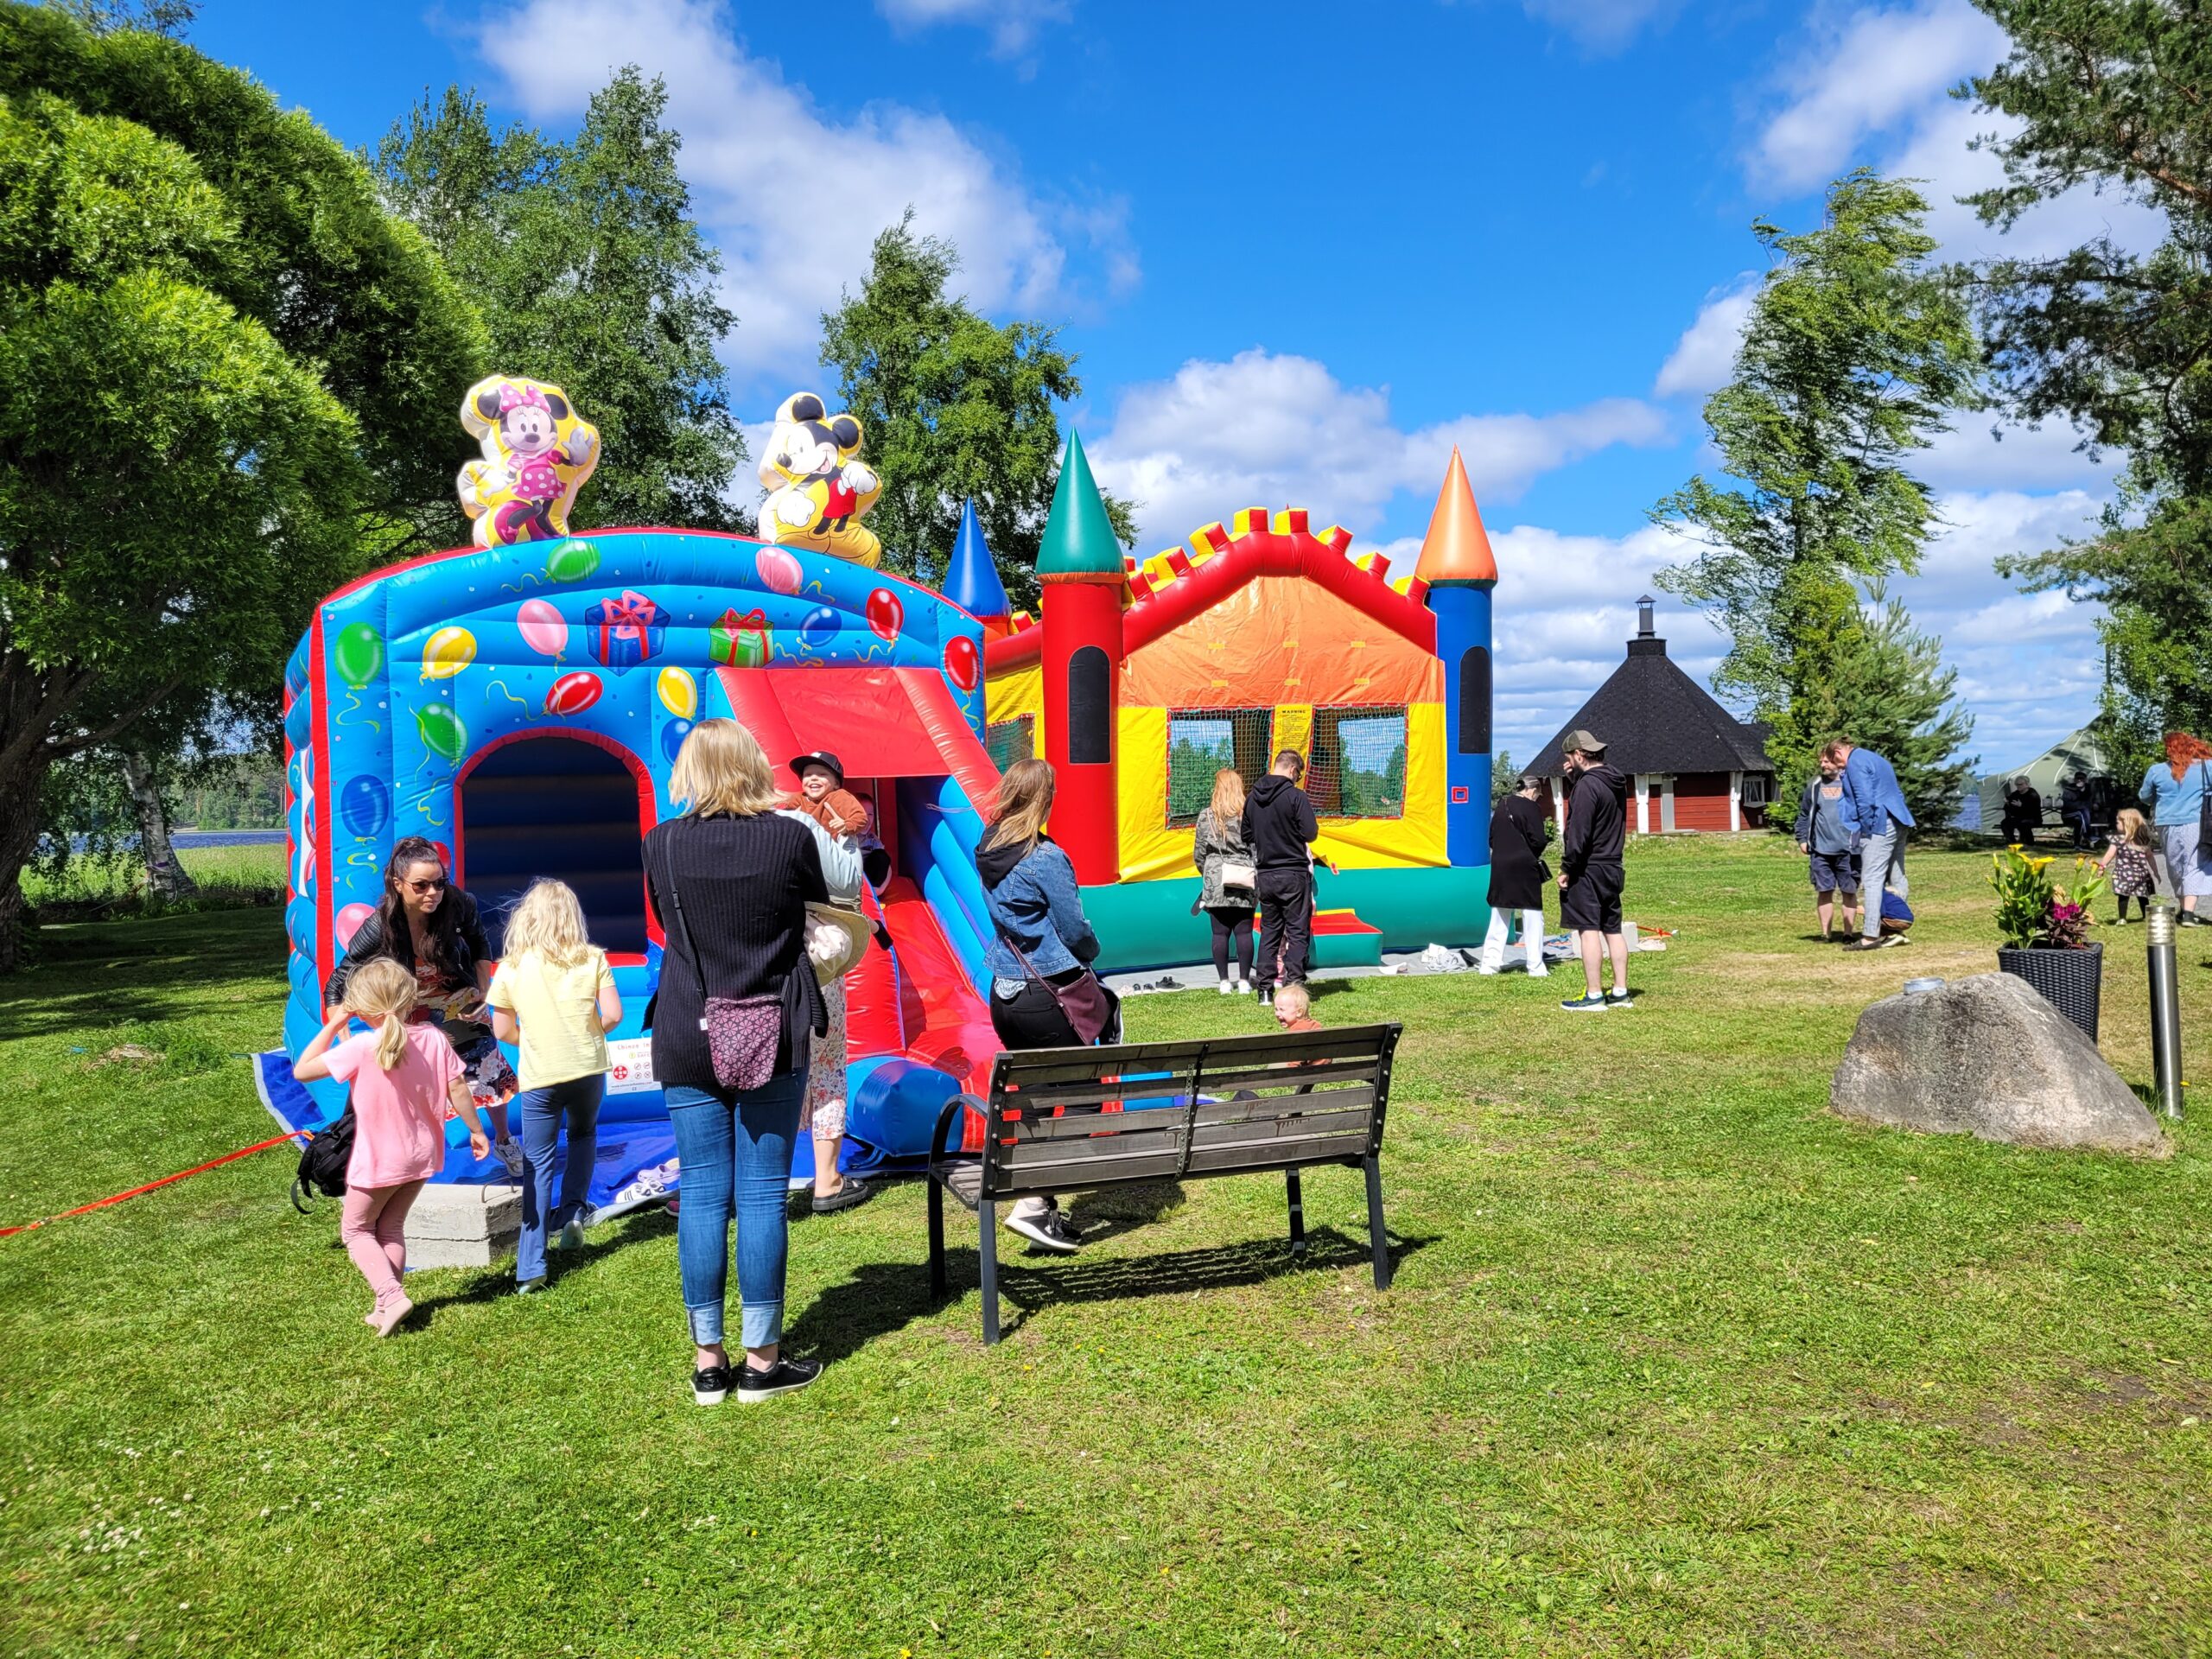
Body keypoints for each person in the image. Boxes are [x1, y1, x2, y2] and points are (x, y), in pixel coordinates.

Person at [643, 719, 830, 1407]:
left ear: (689, 770)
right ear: (754, 765)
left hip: (688, 1026)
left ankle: (708, 1362)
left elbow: (668, 924)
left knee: (701, 1192)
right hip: (772, 1024)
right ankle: (762, 1361)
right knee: (760, 1195)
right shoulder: (790, 837)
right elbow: (819, 909)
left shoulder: (661, 843)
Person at [293, 958, 490, 1338]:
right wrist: (476, 1131)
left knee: (356, 1231)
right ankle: (385, 1308)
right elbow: (458, 1087)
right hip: (423, 1154)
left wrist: (334, 1023)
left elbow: (303, 1070)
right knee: (391, 1226)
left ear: (362, 1008)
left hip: (380, 1160)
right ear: (409, 999)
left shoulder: (362, 1046)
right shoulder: (434, 1037)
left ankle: (392, 1295)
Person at [325, 836, 521, 1174]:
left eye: (439, 883)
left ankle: (504, 1140)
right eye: (421, 886)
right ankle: (410, 1154)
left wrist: (483, 988)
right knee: (413, 1081)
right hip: (411, 1007)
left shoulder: (458, 904)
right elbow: (336, 985)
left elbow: (479, 941)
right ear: (398, 884)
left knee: (486, 1069)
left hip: (459, 1000)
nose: (433, 893)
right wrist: (345, 1041)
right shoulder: (381, 926)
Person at [976, 758, 1105, 1255]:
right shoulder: (1045, 856)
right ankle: (1033, 1203)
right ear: (1047, 798)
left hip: (1005, 990)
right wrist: (1092, 953)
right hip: (1047, 990)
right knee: (1081, 1094)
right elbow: (1073, 929)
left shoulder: (988, 846)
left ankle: (1038, 1205)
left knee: (1033, 1094)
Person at [486, 879, 621, 1294]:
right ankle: (574, 1211)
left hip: (541, 1076)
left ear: (527, 917)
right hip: (587, 1069)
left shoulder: (511, 967)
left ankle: (532, 1264)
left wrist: (533, 1038)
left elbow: (501, 1029)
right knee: (583, 1135)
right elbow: (614, 1015)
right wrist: (587, 1036)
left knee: (539, 1162)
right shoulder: (593, 957)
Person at [778, 774, 872, 1217]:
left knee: (772, 1076)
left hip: (773, 974)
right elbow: (849, 882)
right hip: (818, 968)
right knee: (828, 1071)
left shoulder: (784, 822)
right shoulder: (818, 830)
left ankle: (764, 1178)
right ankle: (827, 1179)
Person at [1555, 730, 1630, 1010]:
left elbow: (1580, 831)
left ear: (1578, 754)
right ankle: (1620, 992)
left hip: (1588, 867)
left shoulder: (1587, 786)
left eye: (1569, 757)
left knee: (1588, 930)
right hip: (1613, 865)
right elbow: (1601, 812)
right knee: (1612, 929)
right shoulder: (1615, 781)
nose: (1568, 762)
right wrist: (1575, 780)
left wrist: (1567, 868)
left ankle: (1595, 995)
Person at [1243, 750, 1320, 1009]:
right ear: (1292, 770)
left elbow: (1246, 835)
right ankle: (1293, 986)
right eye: (1298, 775)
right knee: (1297, 932)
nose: (1297, 780)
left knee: (1270, 932)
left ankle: (1265, 991)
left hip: (1265, 874)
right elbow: (1310, 833)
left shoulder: (1252, 798)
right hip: (1293, 873)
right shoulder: (1296, 797)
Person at [1825, 736, 1916, 953]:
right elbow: (1896, 792)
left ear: (1838, 752)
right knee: (1897, 875)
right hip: (1899, 818)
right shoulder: (1875, 758)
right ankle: (1895, 928)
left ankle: (1870, 936)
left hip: (1879, 823)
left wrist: (1866, 827)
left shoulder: (1855, 761)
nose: (1838, 767)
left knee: (1872, 878)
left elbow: (1864, 798)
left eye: (1834, 761)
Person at [1192, 768, 1257, 994]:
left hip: (1216, 879)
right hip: (1244, 878)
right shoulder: (1248, 815)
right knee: (1244, 932)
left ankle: (1224, 982)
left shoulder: (1206, 816)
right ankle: (1244, 981)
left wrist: (1208, 873)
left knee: (1219, 933)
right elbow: (1256, 848)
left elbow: (1199, 853)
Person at [1480, 773, 1550, 976]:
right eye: (1537, 795)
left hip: (1500, 863)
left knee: (1500, 914)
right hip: (1524, 864)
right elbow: (1539, 839)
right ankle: (1535, 966)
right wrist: (1531, 853)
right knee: (1532, 914)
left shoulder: (1502, 805)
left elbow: (1491, 838)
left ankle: (1489, 964)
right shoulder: (1531, 808)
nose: (1536, 799)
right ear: (1531, 790)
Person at [2139, 732, 2212, 925]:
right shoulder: (2207, 766)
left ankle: (2185, 911)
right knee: (2194, 865)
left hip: (2166, 823)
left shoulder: (2156, 770)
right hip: (2196, 823)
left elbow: (2144, 797)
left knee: (2175, 866)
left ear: (2169, 750)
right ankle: (2188, 913)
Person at [1793, 758, 1861, 940]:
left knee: (1849, 891)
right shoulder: (1815, 785)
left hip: (1849, 850)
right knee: (1824, 891)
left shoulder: (1853, 783)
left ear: (1839, 761)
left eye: (1827, 761)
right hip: (1821, 850)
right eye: (1821, 761)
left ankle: (1848, 934)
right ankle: (1826, 934)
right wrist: (1802, 839)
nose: (1823, 765)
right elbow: (1804, 814)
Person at [2098, 807, 2158, 924]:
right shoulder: (2142, 840)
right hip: (2141, 875)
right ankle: (2146, 916)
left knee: (2123, 896)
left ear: (2127, 824)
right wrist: (2155, 871)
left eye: (2118, 822)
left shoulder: (2118, 840)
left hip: (2124, 875)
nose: (2116, 824)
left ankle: (2122, 918)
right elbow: (2150, 857)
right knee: (2143, 896)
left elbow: (2109, 855)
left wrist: (2102, 867)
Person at [1999, 775, 2043, 845]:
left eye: (2021, 784)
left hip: (2033, 818)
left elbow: (2034, 809)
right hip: (2019, 818)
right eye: (2017, 784)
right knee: (2005, 823)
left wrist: (2022, 805)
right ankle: (2012, 842)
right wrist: (2008, 804)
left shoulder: (2032, 794)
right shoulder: (2015, 794)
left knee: (2024, 824)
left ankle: (2029, 843)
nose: (2018, 786)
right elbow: (2010, 808)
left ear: (2027, 784)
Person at [2059, 770, 2094, 849]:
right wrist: (2082, 805)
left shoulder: (2089, 789)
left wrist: (2096, 804)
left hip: (2083, 816)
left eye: (2081, 779)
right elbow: (2067, 804)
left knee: (2079, 820)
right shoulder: (2068, 790)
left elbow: (2094, 801)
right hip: (2068, 814)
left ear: (2085, 780)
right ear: (2074, 780)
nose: (2079, 780)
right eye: (2077, 778)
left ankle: (2077, 844)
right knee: (2082, 811)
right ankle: (2088, 835)